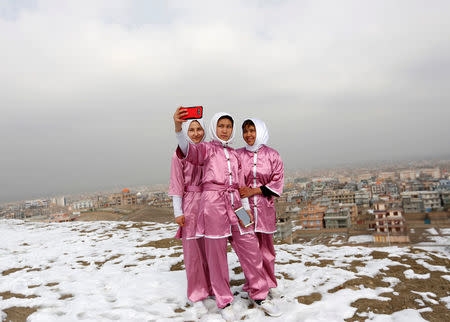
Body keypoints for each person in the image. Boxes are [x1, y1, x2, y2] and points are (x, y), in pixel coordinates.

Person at [173, 108, 281, 320]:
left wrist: (246, 209)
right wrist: (178, 128)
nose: (224, 130)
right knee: (216, 254)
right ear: (214, 128)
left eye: (228, 126)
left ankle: (259, 294)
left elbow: (241, 184)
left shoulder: (234, 154)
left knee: (250, 246)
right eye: (221, 126)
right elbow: (188, 150)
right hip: (212, 204)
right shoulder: (205, 149)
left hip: (236, 203)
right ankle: (224, 300)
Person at [237, 118, 284, 298]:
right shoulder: (238, 155)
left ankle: (269, 282)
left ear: (260, 131)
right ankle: (253, 283)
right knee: (248, 248)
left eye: (252, 130)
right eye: (246, 131)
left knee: (266, 248)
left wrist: (253, 190)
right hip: (243, 207)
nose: (248, 135)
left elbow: (277, 181)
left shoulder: (273, 155)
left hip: (265, 206)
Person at [168, 119, 211, 315]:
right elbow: (176, 184)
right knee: (193, 252)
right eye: (191, 129)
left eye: (198, 128)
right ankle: (197, 294)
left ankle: (211, 287)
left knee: (210, 249)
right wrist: (178, 212)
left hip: (211, 203)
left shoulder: (210, 150)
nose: (195, 133)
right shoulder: (179, 155)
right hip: (191, 204)